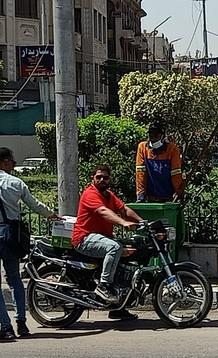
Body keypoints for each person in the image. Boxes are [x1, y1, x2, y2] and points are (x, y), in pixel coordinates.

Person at [0, 148, 61, 340]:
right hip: (11, 236)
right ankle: (21, 322)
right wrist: (52, 215)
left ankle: (5, 326)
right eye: (13, 162)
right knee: (14, 280)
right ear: (5, 162)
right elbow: (34, 204)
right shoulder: (16, 183)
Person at [71, 165, 143, 319]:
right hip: (85, 238)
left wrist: (142, 222)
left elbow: (124, 209)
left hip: (101, 238)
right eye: (99, 177)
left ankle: (118, 307)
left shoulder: (109, 195)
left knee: (128, 251)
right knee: (115, 247)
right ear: (93, 178)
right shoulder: (90, 194)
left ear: (110, 179)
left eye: (105, 177)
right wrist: (123, 223)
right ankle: (103, 285)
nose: (102, 180)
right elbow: (104, 212)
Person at [135, 123, 184, 203]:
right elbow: (140, 173)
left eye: (156, 134)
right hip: (150, 196)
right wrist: (140, 195)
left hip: (168, 196)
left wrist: (178, 191)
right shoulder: (143, 148)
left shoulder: (172, 149)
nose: (153, 136)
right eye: (151, 133)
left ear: (162, 135)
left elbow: (176, 173)